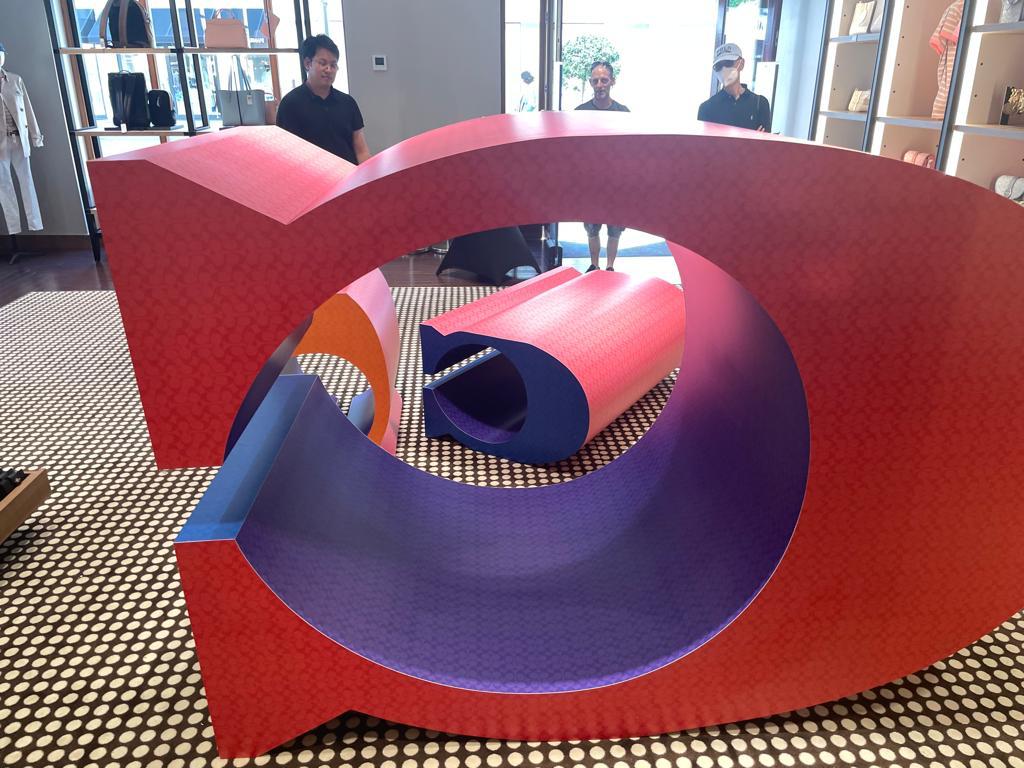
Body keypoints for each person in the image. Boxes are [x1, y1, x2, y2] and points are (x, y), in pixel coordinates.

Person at [276, 34, 370, 165]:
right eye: (323, 63)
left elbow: (361, 149)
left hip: (348, 177)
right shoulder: (290, 104)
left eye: (333, 65)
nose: (329, 70)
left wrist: (368, 178)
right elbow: (286, 154)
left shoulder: (348, 102)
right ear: (307, 63)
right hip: (311, 178)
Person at [575, 61, 629, 272]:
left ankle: (610, 267)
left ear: (612, 81)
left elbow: (630, 148)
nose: (600, 84)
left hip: (617, 182)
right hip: (590, 182)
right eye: (595, 80)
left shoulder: (624, 113)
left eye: (604, 80)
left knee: (615, 229)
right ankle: (594, 266)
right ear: (590, 83)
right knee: (591, 228)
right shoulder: (579, 112)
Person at [697, 43, 772, 132]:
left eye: (728, 63)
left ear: (741, 63)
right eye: (718, 66)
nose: (724, 69)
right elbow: (703, 144)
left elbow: (765, 144)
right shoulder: (707, 108)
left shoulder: (760, 104)